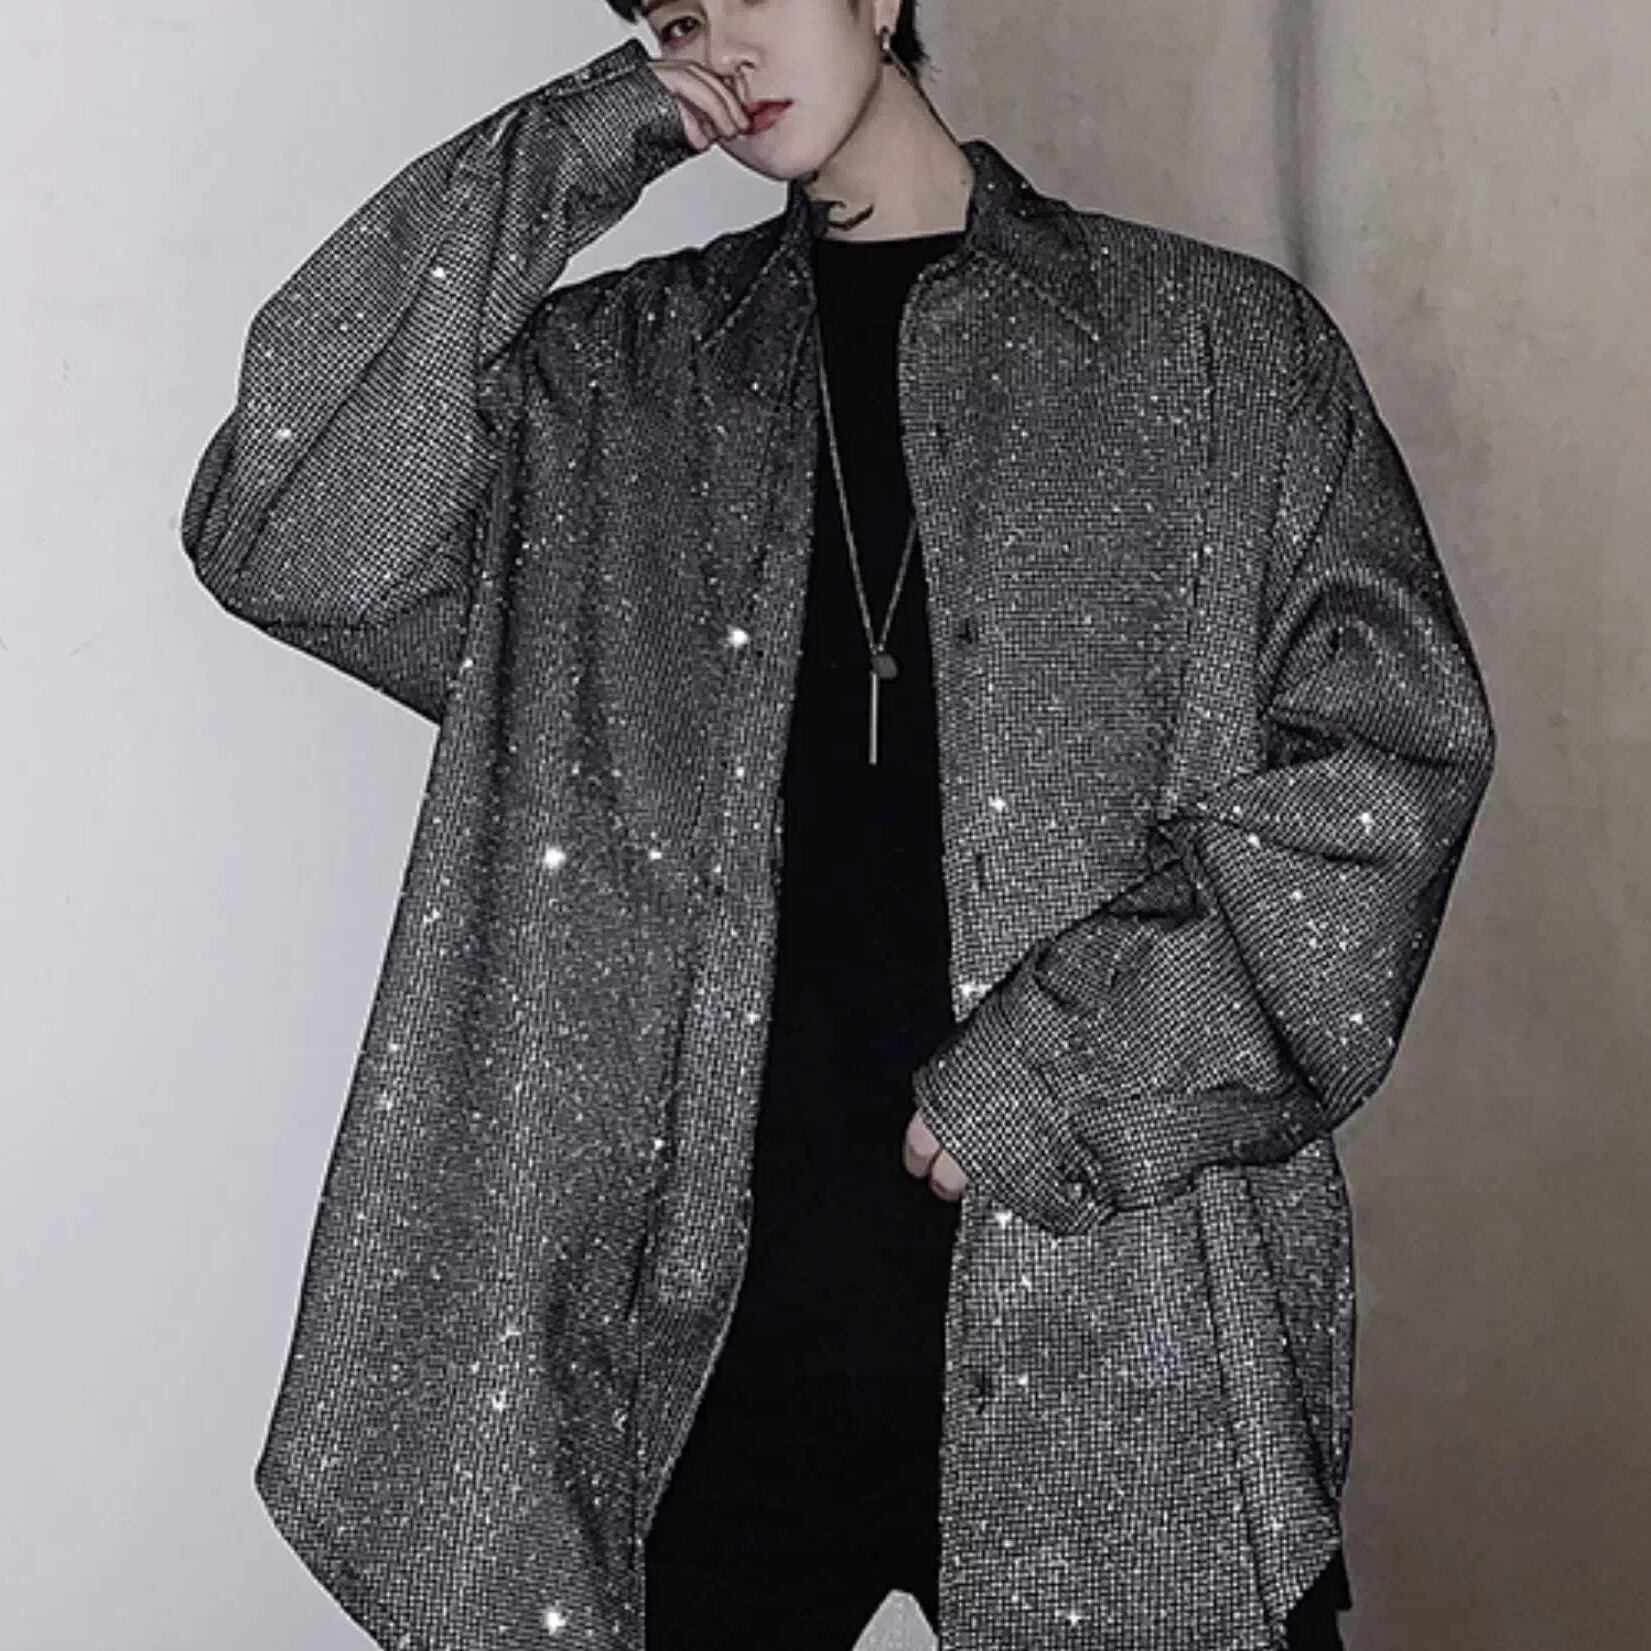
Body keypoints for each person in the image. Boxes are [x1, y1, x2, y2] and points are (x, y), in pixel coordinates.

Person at [181, 3, 1495, 1649]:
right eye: (675, 8)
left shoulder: (1214, 351)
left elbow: (1388, 763)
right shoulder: (617, 388)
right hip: (701, 1357)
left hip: (1126, 1312)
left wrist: (1069, 1073)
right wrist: (584, 137)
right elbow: (292, 527)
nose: (719, 36)